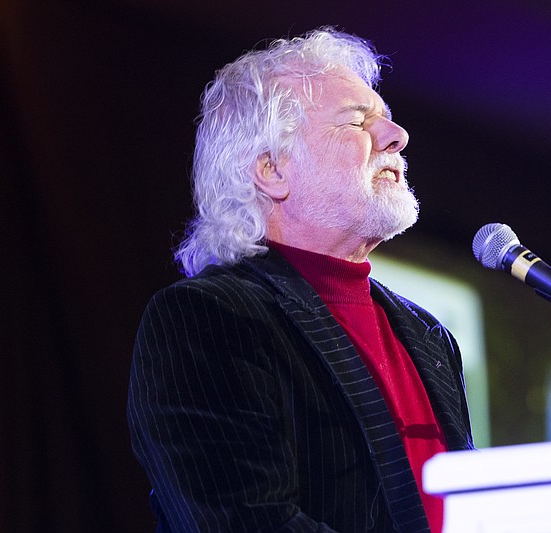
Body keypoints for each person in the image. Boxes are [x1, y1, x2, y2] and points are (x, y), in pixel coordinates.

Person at [127, 27, 474, 533]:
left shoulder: (428, 335)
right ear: (271, 170)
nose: (397, 136)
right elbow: (244, 521)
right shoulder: (204, 318)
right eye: (359, 121)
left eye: (387, 118)